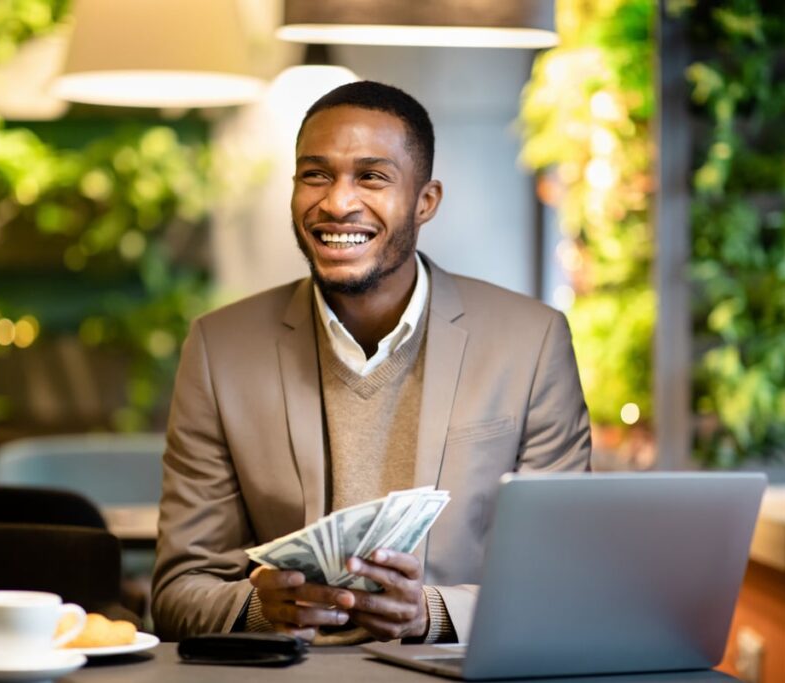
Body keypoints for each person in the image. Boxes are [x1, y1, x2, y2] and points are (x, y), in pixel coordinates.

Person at [152, 81, 591, 644]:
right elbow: (179, 591)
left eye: (372, 177)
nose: (337, 203)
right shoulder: (220, 349)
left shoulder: (530, 343)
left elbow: (561, 586)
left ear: (425, 201)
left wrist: (429, 612)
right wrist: (266, 610)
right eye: (315, 175)